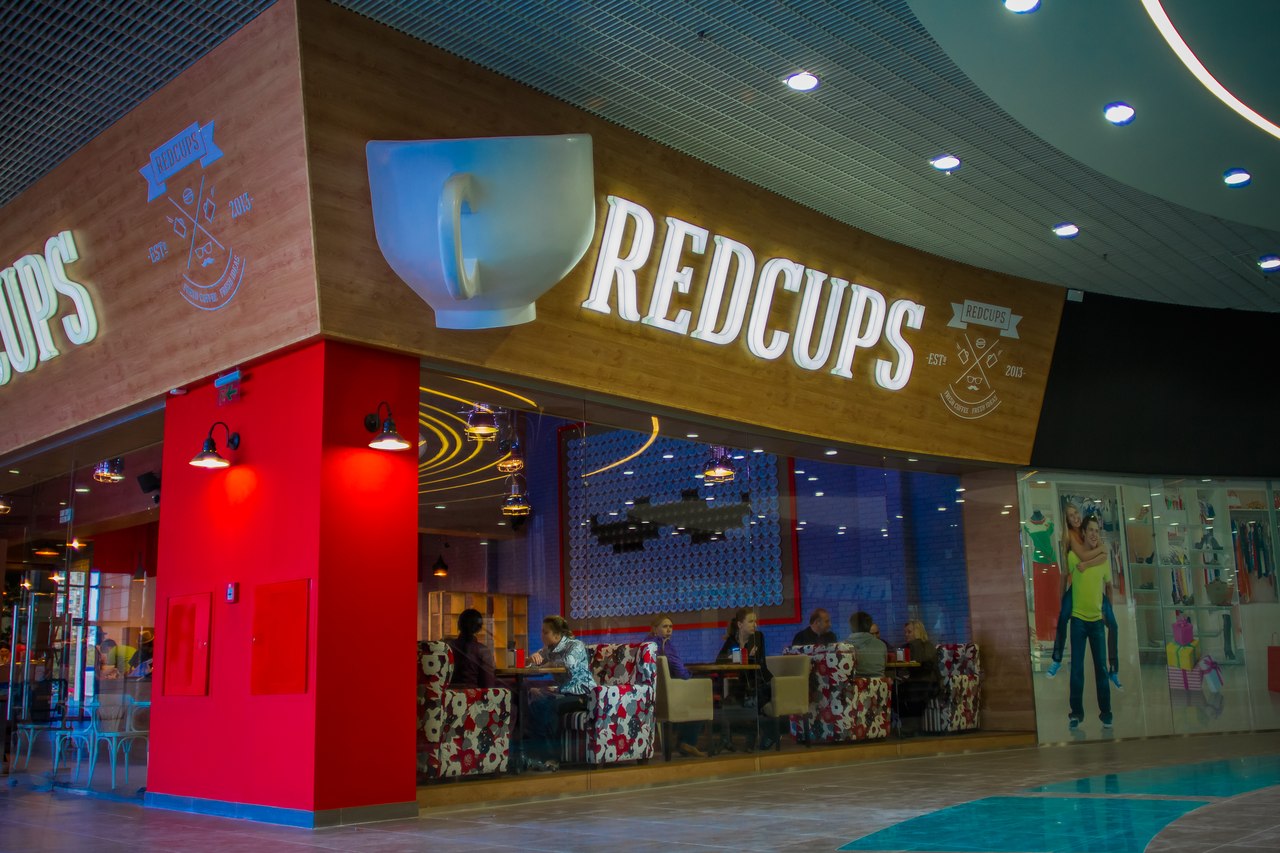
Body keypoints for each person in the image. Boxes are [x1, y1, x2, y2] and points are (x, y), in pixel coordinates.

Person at [1047, 503, 1122, 689]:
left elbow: (1102, 558)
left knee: (1113, 625)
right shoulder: (1071, 538)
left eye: (1076, 513)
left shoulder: (1087, 530)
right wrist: (1102, 550)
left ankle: (1114, 669)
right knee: (1063, 617)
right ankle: (1057, 659)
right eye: (1071, 516)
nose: (1075, 518)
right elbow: (1082, 557)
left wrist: (1099, 555)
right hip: (1077, 588)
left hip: (1094, 589)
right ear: (1066, 520)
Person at [524, 615, 595, 771]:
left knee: (548, 707)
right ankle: (536, 756)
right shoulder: (549, 649)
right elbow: (532, 666)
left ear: (557, 634)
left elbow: (568, 663)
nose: (542, 636)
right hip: (563, 693)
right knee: (535, 705)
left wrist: (546, 664)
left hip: (582, 694)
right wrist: (531, 659)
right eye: (542, 632)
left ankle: (553, 758)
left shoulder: (575, 645)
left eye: (545, 632)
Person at [1068, 516, 1113, 730]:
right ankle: (1076, 713)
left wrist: (1108, 612)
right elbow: (1065, 580)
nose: (1094, 534)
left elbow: (1109, 586)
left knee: (1101, 669)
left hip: (1096, 622)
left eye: (1097, 530)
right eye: (1091, 530)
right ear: (1084, 532)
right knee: (1077, 669)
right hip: (1077, 620)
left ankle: (1106, 713)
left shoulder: (1104, 561)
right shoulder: (1073, 557)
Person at [646, 614, 706, 758]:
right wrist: (689, 675)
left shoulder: (646, 644)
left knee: (692, 697)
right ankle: (687, 742)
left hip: (654, 692)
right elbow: (680, 671)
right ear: (655, 629)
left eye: (671, 627)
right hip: (668, 694)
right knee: (700, 697)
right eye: (665, 626)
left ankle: (684, 742)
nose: (669, 630)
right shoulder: (665, 646)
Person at [716, 607, 775, 749]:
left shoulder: (758, 637)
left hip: (760, 681)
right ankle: (726, 740)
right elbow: (719, 661)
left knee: (751, 699)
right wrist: (731, 658)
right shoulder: (732, 640)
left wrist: (746, 656)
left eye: (755, 621)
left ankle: (756, 738)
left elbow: (760, 663)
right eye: (751, 621)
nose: (755, 625)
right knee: (726, 703)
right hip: (742, 684)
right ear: (740, 624)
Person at [895, 619, 939, 736]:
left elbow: (925, 665)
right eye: (905, 632)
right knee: (894, 691)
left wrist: (916, 642)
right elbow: (901, 666)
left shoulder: (927, 646)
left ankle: (912, 726)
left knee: (913, 690)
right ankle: (907, 724)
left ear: (918, 632)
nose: (906, 635)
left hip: (928, 681)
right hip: (912, 680)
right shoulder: (905, 647)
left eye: (909, 632)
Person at [446, 608, 496, 689]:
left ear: (458, 624)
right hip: (473, 695)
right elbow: (488, 684)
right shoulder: (483, 651)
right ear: (479, 628)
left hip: (449, 695)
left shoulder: (447, 647)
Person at [844, 611, 886, 677]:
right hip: (879, 683)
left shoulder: (843, 647)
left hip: (855, 683)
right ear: (869, 626)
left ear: (851, 626)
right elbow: (884, 666)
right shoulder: (881, 645)